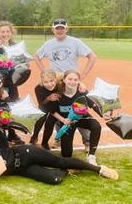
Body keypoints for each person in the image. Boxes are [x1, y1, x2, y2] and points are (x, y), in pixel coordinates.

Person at [0, 132, 118, 186]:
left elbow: (1, 167)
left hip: (24, 153)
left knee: (59, 162)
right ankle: (69, 170)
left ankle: (99, 169)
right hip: (21, 169)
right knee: (55, 179)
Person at [34, 18, 97, 150]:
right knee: (60, 108)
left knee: (79, 108)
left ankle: (87, 141)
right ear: (53, 30)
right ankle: (60, 137)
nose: (59, 30)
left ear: (66, 29)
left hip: (71, 80)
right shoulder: (48, 44)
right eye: (57, 28)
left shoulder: (75, 42)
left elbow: (92, 56)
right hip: (57, 81)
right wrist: (45, 72)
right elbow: (36, 56)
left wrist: (82, 76)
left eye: (62, 28)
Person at [51, 70, 103, 165]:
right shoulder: (57, 93)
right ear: (64, 79)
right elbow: (51, 110)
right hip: (67, 122)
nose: (72, 82)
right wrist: (63, 120)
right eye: (70, 79)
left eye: (75, 80)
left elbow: (93, 104)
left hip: (82, 118)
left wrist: (103, 114)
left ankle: (91, 156)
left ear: (79, 81)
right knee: (66, 154)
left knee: (96, 126)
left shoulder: (81, 91)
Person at [29, 69, 61, 150]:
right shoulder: (38, 88)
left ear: (56, 79)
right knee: (41, 118)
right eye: (45, 82)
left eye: (51, 81)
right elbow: (41, 103)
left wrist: (81, 84)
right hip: (44, 104)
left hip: (56, 107)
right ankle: (35, 136)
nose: (49, 84)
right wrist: (48, 98)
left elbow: (72, 77)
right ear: (42, 82)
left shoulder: (60, 84)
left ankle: (44, 142)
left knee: (49, 123)